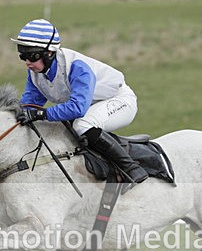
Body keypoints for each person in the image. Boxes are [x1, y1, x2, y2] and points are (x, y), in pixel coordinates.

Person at [12, 18, 147, 186]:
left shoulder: (77, 67)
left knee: (82, 125)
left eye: (32, 56)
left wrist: (42, 114)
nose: (27, 62)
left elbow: (77, 108)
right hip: (92, 106)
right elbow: (29, 105)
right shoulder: (36, 73)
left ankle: (131, 168)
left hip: (119, 101)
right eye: (22, 56)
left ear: (50, 52)